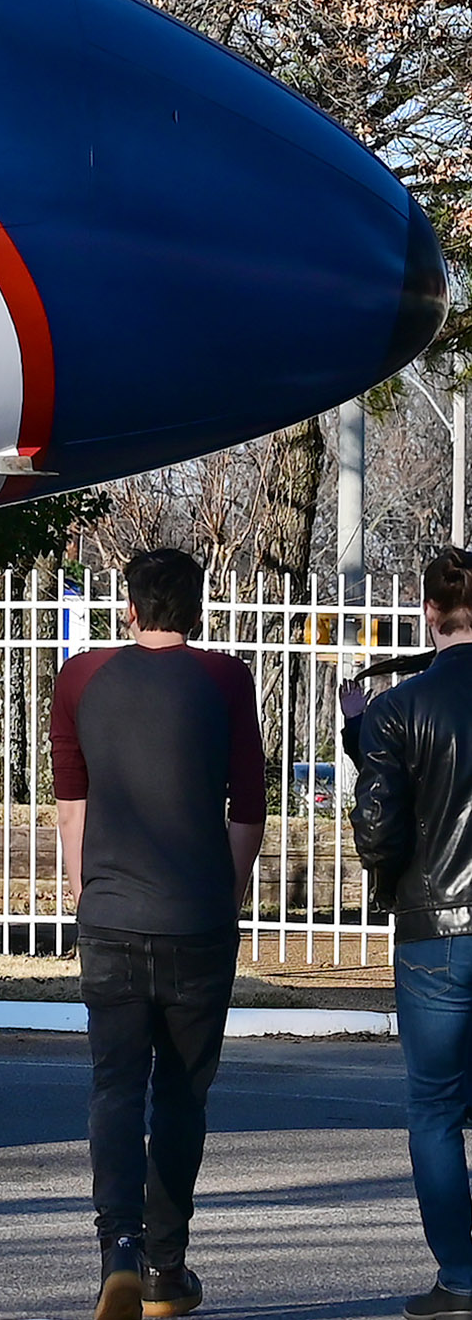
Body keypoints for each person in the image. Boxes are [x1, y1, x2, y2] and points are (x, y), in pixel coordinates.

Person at [52, 547, 264, 1320]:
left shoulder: (81, 677)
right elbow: (248, 808)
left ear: (130, 608)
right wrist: (227, 890)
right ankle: (168, 1268)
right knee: (181, 1094)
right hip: (197, 919)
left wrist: (87, 894)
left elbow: (70, 805)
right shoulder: (226, 679)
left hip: (110, 914)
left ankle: (119, 1248)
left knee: (115, 1086)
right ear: (198, 611)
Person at [352, 546, 472, 1318]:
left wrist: (392, 881)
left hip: (435, 927)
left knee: (435, 1109)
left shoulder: (398, 707)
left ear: (429, 611)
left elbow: (375, 825)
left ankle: (460, 1277)